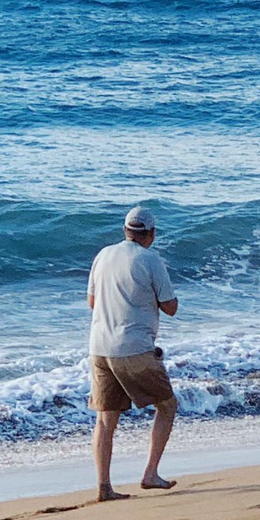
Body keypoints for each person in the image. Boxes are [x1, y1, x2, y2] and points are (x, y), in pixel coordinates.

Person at [87, 204, 180, 503]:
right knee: (166, 406)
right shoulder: (150, 260)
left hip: (99, 347)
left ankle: (104, 486)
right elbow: (171, 307)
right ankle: (151, 474)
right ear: (150, 234)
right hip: (134, 347)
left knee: (105, 420)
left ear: (125, 230)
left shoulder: (103, 255)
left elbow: (92, 301)